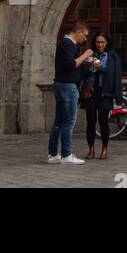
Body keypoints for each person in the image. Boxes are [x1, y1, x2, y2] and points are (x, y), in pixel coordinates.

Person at [48, 20, 94, 164]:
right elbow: (71, 65)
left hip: (60, 85)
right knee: (69, 122)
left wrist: (85, 61)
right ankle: (66, 155)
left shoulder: (65, 44)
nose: (85, 39)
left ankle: (53, 154)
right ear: (78, 32)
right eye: (85, 35)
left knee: (59, 122)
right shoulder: (68, 44)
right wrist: (86, 55)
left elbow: (71, 63)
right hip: (68, 86)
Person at [80, 31, 124, 160]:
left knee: (104, 122)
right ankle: (91, 149)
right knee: (91, 122)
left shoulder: (113, 56)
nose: (100, 44)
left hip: (106, 93)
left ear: (107, 42)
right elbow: (82, 72)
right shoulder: (90, 54)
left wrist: (118, 96)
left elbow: (115, 75)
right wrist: (89, 65)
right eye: (98, 42)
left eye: (102, 42)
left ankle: (104, 149)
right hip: (91, 92)